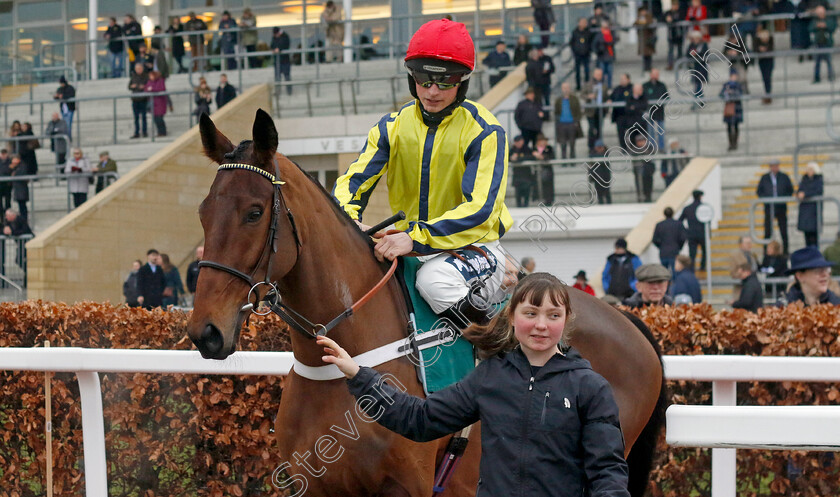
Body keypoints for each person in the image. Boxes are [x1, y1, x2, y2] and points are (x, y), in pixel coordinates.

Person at [318, 273, 631, 497]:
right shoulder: (490, 377)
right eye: (531, 313)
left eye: (553, 315)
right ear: (512, 316)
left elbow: (607, 472)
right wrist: (359, 375)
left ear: (566, 319)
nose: (540, 324)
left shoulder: (591, 388)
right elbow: (420, 420)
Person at [332, 19, 513, 327]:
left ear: (463, 82)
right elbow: (351, 184)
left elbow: (480, 210)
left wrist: (414, 238)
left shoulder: (485, 131)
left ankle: (498, 347)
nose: (432, 91)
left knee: (434, 281)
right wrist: (350, 223)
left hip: (473, 246)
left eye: (445, 82)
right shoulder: (391, 126)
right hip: (407, 244)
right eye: (423, 79)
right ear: (411, 78)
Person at [757, 159, 794, 255]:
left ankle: (785, 252)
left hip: (781, 207)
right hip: (769, 208)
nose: (775, 168)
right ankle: (766, 252)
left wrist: (783, 197)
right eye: (773, 166)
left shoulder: (784, 177)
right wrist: (766, 199)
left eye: (776, 166)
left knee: (783, 231)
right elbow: (759, 191)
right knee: (768, 232)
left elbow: (790, 189)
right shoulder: (765, 178)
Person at [797, 161, 824, 247]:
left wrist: (805, 194)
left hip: (814, 212)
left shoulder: (818, 179)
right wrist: (799, 193)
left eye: (811, 169)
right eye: (808, 169)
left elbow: (818, 191)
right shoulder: (804, 179)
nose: (809, 171)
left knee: (814, 238)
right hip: (805, 213)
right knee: (807, 237)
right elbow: (799, 190)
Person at [652, 207, 687, 271]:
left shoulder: (659, 225)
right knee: (675, 274)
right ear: (673, 213)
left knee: (664, 274)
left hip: (663, 252)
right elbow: (683, 238)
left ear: (664, 214)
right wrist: (679, 247)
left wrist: (660, 246)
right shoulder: (678, 224)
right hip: (674, 251)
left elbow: (654, 240)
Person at [582, 68, 607, 153]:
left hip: (600, 111)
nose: (599, 76)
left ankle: (599, 147)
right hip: (590, 111)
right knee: (591, 129)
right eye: (598, 74)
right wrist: (589, 96)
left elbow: (606, 97)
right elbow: (582, 95)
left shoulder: (604, 85)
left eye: (600, 74)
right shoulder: (588, 84)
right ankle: (591, 146)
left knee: (599, 129)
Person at [554, 82, 582, 160]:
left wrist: (576, 121)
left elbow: (578, 111)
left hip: (571, 124)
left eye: (567, 88)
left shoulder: (574, 99)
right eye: (564, 88)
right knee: (563, 144)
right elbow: (556, 112)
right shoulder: (558, 100)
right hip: (562, 124)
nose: (565, 90)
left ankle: (572, 159)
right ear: (562, 89)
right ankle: (564, 159)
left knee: (572, 143)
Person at [680, 189, 706, 270]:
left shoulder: (687, 208)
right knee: (704, 252)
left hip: (691, 234)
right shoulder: (704, 207)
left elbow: (680, 221)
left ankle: (692, 268)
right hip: (703, 233)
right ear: (700, 197)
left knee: (692, 253)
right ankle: (702, 267)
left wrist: (686, 230)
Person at [642, 69, 667, 153]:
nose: (655, 76)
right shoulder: (645, 86)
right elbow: (643, 97)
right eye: (654, 74)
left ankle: (661, 147)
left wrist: (660, 103)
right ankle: (651, 147)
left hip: (660, 112)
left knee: (661, 131)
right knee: (650, 131)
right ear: (650, 75)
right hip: (650, 112)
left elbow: (666, 97)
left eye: (657, 74)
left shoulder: (662, 85)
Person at [810, 5, 836, 83]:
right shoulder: (814, 21)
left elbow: (833, 27)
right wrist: (817, 26)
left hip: (827, 43)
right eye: (819, 13)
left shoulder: (828, 19)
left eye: (821, 12)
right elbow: (810, 28)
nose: (820, 14)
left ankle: (831, 76)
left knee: (829, 61)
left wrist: (825, 25)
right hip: (818, 44)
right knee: (817, 62)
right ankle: (816, 77)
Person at [720, 71, 744, 151]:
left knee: (736, 126)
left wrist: (731, 94)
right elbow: (721, 94)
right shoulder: (726, 85)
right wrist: (727, 94)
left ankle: (735, 143)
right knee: (729, 126)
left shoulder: (738, 85)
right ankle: (731, 144)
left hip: (737, 107)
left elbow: (740, 94)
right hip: (729, 107)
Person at [607, 74, 632, 150]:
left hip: (630, 115)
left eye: (624, 79)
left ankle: (633, 147)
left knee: (632, 132)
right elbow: (611, 97)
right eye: (621, 79)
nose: (622, 81)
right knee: (621, 133)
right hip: (619, 115)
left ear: (628, 80)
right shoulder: (617, 89)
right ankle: (623, 148)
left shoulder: (632, 88)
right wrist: (609, 100)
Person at [686, 31, 709, 109]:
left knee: (698, 85)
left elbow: (706, 55)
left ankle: (698, 101)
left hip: (701, 68)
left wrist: (697, 54)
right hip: (694, 68)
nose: (695, 40)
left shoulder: (704, 45)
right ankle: (701, 100)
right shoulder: (691, 45)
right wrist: (691, 54)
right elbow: (686, 54)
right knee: (697, 86)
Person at [144, 71, 171, 137]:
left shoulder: (160, 81)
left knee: (159, 118)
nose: (150, 77)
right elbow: (146, 89)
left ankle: (163, 131)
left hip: (160, 103)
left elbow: (161, 89)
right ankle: (160, 132)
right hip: (153, 103)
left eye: (151, 76)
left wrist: (152, 89)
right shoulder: (149, 82)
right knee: (155, 119)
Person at [510, 135, 534, 208]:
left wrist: (518, 158)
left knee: (527, 192)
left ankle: (526, 206)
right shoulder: (512, 150)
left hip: (526, 174)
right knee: (518, 193)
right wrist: (512, 158)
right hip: (517, 175)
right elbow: (508, 158)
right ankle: (519, 206)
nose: (518, 144)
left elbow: (531, 157)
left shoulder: (527, 149)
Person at [569, 18, 593, 90]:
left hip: (586, 54)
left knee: (587, 71)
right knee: (578, 72)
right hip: (578, 55)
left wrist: (589, 50)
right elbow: (572, 43)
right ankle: (578, 86)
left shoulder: (588, 32)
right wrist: (575, 51)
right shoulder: (575, 32)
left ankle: (587, 86)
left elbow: (591, 42)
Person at [592, 21, 616, 88]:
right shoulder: (599, 35)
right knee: (601, 74)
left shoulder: (611, 34)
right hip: (601, 57)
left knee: (609, 73)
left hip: (609, 57)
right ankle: (602, 87)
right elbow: (594, 45)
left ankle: (609, 86)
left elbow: (612, 42)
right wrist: (598, 50)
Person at [533, 134, 556, 205]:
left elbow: (551, 156)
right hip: (537, 170)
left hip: (547, 170)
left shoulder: (549, 148)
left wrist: (541, 157)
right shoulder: (534, 149)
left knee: (548, 186)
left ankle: (548, 200)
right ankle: (538, 199)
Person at [631, 135, 654, 202]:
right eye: (639, 141)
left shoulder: (650, 148)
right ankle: (640, 200)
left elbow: (650, 156)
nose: (641, 143)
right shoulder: (634, 149)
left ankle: (648, 199)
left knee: (648, 188)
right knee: (639, 188)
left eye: (642, 141)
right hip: (639, 173)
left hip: (648, 173)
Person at [128, 63, 149, 139]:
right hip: (135, 99)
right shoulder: (133, 76)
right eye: (137, 69)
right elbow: (129, 86)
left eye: (139, 68)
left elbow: (148, 85)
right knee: (136, 118)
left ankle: (144, 132)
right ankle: (136, 132)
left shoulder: (146, 76)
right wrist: (132, 86)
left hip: (143, 99)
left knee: (143, 117)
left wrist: (143, 87)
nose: (138, 70)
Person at [755, 28, 775, 105]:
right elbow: (755, 48)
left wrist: (764, 49)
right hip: (762, 61)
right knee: (764, 77)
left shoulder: (771, 39)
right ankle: (767, 93)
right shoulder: (757, 40)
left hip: (769, 61)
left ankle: (768, 94)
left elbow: (771, 48)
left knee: (768, 77)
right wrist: (760, 49)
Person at [635, 6, 657, 73]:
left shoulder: (649, 17)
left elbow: (650, 24)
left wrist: (644, 23)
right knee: (644, 54)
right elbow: (635, 24)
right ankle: (645, 67)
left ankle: (649, 66)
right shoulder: (639, 18)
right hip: (642, 39)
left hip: (648, 39)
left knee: (649, 54)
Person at [588, 140, 611, 204]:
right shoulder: (592, 156)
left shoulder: (606, 155)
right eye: (598, 147)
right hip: (597, 178)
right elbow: (590, 168)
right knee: (599, 194)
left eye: (601, 147)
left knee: (607, 194)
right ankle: (601, 205)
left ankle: (609, 206)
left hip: (606, 178)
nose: (600, 149)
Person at [53, 76, 76, 141]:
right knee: (65, 124)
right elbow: (57, 96)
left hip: (69, 109)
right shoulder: (60, 89)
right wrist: (56, 96)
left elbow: (71, 96)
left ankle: (68, 138)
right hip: (63, 109)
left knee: (68, 124)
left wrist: (63, 96)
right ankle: (67, 138)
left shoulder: (70, 88)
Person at [8, 155, 30, 221]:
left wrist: (14, 174)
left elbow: (21, 174)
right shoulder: (14, 167)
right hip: (17, 189)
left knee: (22, 206)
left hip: (22, 189)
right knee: (21, 205)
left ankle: (24, 219)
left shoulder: (22, 166)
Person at [271, 27, 292, 94]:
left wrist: (279, 49)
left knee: (287, 77)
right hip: (277, 61)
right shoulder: (274, 37)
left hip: (285, 60)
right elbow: (272, 45)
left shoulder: (285, 36)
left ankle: (289, 91)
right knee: (277, 77)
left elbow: (285, 45)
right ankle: (278, 91)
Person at [664, 3, 685, 70]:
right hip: (671, 35)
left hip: (679, 34)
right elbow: (662, 18)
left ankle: (680, 64)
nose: (675, 7)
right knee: (670, 50)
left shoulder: (680, 12)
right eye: (674, 5)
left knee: (680, 50)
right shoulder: (668, 12)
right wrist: (666, 19)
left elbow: (680, 19)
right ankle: (670, 64)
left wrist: (672, 19)